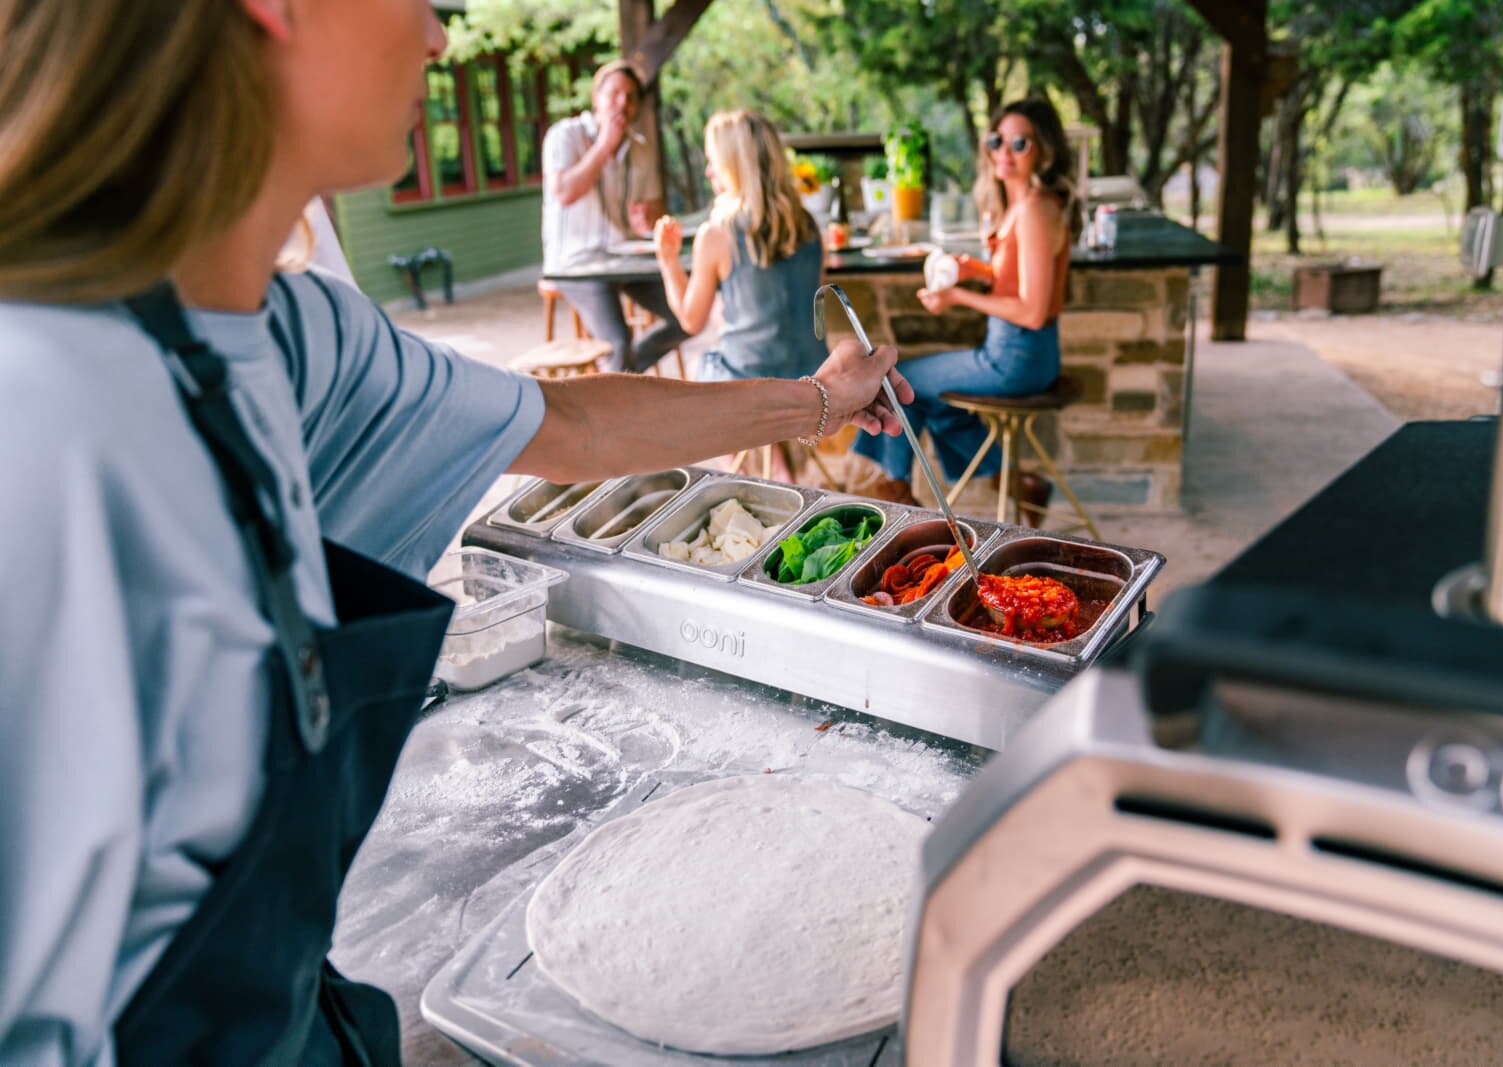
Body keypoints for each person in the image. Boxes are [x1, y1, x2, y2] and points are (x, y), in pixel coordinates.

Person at [0, 3, 910, 1064]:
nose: (437, 37)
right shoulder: (46, 410)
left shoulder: (301, 337)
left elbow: (567, 420)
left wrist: (815, 398)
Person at [852, 98, 1074, 507]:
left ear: (1044, 149)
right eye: (996, 141)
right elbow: (1018, 277)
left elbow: (1033, 310)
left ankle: (894, 492)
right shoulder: (1021, 206)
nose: (1003, 154)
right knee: (928, 396)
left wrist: (957, 296)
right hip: (1013, 352)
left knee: (899, 381)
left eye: (1019, 143)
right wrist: (977, 270)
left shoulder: (1036, 210)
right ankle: (1013, 480)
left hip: (1019, 358)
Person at [653, 109, 827, 383]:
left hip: (748, 383)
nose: (709, 171)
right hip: (811, 380)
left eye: (714, 161)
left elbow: (691, 321)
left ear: (734, 165)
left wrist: (667, 260)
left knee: (694, 370)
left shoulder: (717, 234)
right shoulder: (808, 226)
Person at [541, 59, 689, 373]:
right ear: (597, 97)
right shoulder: (565, 135)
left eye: (631, 96)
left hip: (624, 256)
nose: (623, 102)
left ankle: (625, 374)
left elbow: (650, 210)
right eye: (615, 94)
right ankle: (621, 379)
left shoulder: (640, 148)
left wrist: (647, 220)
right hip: (576, 262)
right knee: (617, 342)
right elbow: (565, 193)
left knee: (689, 314)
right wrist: (605, 144)